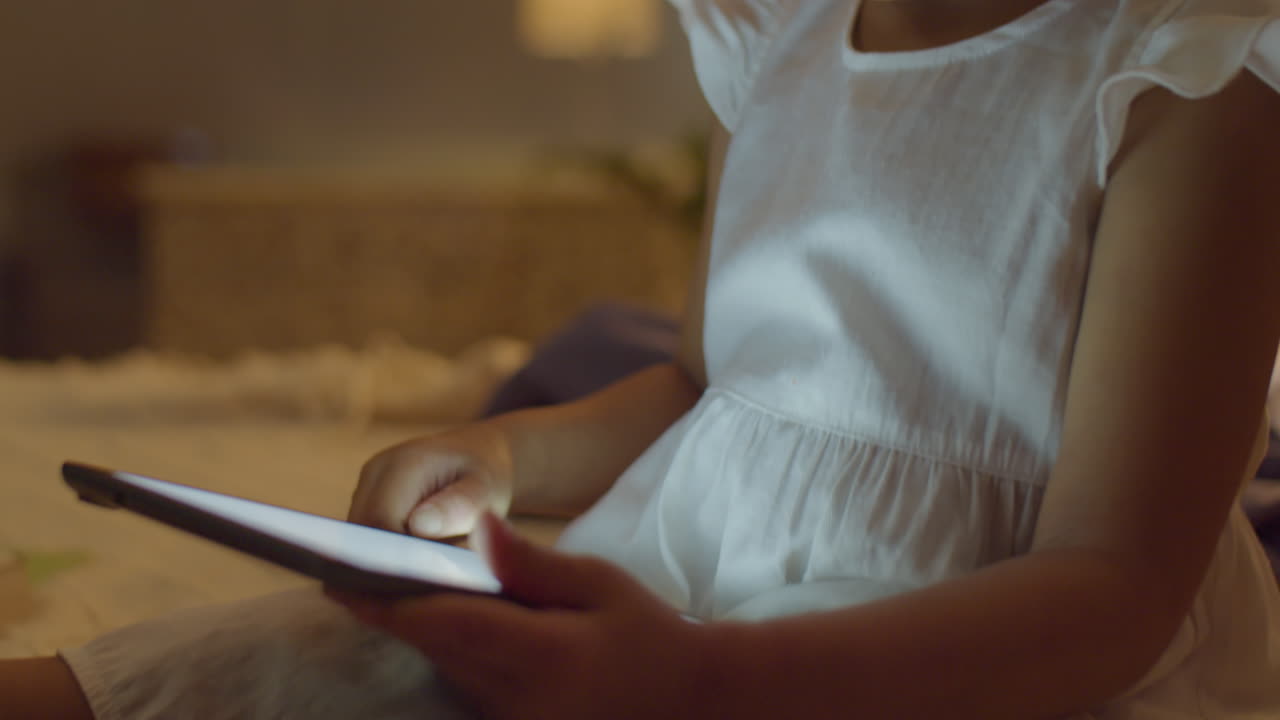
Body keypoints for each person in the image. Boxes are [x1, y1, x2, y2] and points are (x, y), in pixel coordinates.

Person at [4, 0, 1280, 717]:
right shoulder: (780, 44)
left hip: (953, 663)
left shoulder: (1181, 73)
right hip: (685, 606)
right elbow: (699, 382)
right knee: (286, 663)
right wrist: (499, 453)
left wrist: (707, 681)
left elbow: (1116, 588)